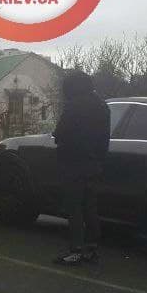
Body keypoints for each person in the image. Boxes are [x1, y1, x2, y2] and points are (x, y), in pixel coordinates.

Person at [51, 70, 110, 265]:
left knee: (74, 207)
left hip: (74, 163)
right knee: (90, 207)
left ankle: (75, 250)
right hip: (94, 164)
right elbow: (104, 139)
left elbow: (60, 132)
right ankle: (91, 248)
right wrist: (99, 160)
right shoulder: (102, 106)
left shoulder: (74, 105)